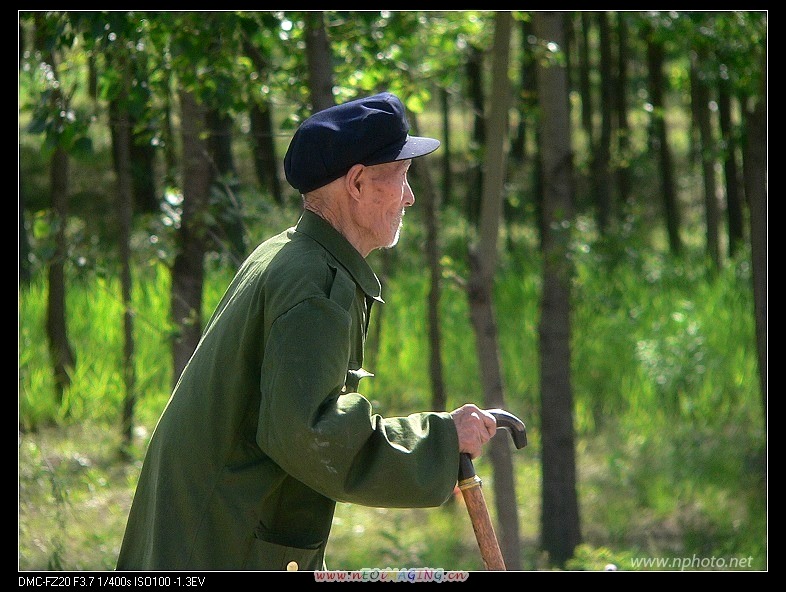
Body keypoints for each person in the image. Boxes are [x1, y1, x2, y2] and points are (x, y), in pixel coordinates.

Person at [116, 91, 498, 571]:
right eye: (400, 177)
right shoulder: (315, 285)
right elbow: (310, 435)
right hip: (218, 545)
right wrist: (442, 439)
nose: (410, 196)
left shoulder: (294, 254)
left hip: (210, 528)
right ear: (357, 184)